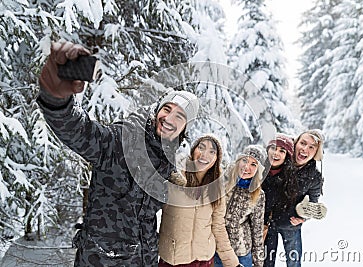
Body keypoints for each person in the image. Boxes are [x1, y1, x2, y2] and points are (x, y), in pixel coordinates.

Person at [36, 41, 200, 266]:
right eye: (167, 109)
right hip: (100, 260)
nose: (169, 118)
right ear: (157, 111)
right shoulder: (122, 139)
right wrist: (56, 101)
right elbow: (80, 132)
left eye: (180, 116)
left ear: (184, 129)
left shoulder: (169, 163)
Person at [158, 134, 240, 267]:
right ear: (193, 150)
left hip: (204, 261)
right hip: (173, 260)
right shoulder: (173, 177)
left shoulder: (217, 189)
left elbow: (218, 227)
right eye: (201, 148)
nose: (204, 155)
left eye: (212, 152)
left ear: (216, 159)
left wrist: (232, 262)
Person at [214, 145, 267, 267]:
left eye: (254, 164)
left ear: (258, 170)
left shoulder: (258, 194)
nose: (247, 167)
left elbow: (257, 230)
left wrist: (258, 263)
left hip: (241, 253)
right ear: (238, 161)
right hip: (217, 249)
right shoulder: (223, 180)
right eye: (245, 160)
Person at [261, 134, 298, 267]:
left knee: (269, 260)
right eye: (273, 148)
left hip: (276, 224)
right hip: (256, 225)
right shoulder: (257, 171)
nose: (276, 153)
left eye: (282, 151)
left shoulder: (290, 177)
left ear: (287, 156)